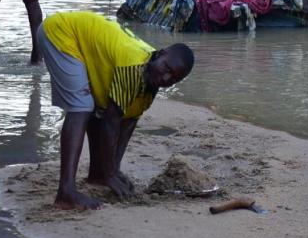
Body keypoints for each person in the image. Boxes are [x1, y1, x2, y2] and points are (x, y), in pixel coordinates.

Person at [39, 11, 195, 210]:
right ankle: (66, 193)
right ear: (160, 54)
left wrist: (113, 169)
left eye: (172, 79)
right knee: (82, 107)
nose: (165, 79)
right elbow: (111, 124)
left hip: (79, 42)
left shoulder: (150, 80)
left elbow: (128, 121)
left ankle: (97, 174)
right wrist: (111, 173)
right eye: (166, 68)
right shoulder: (133, 67)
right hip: (60, 33)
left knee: (97, 107)